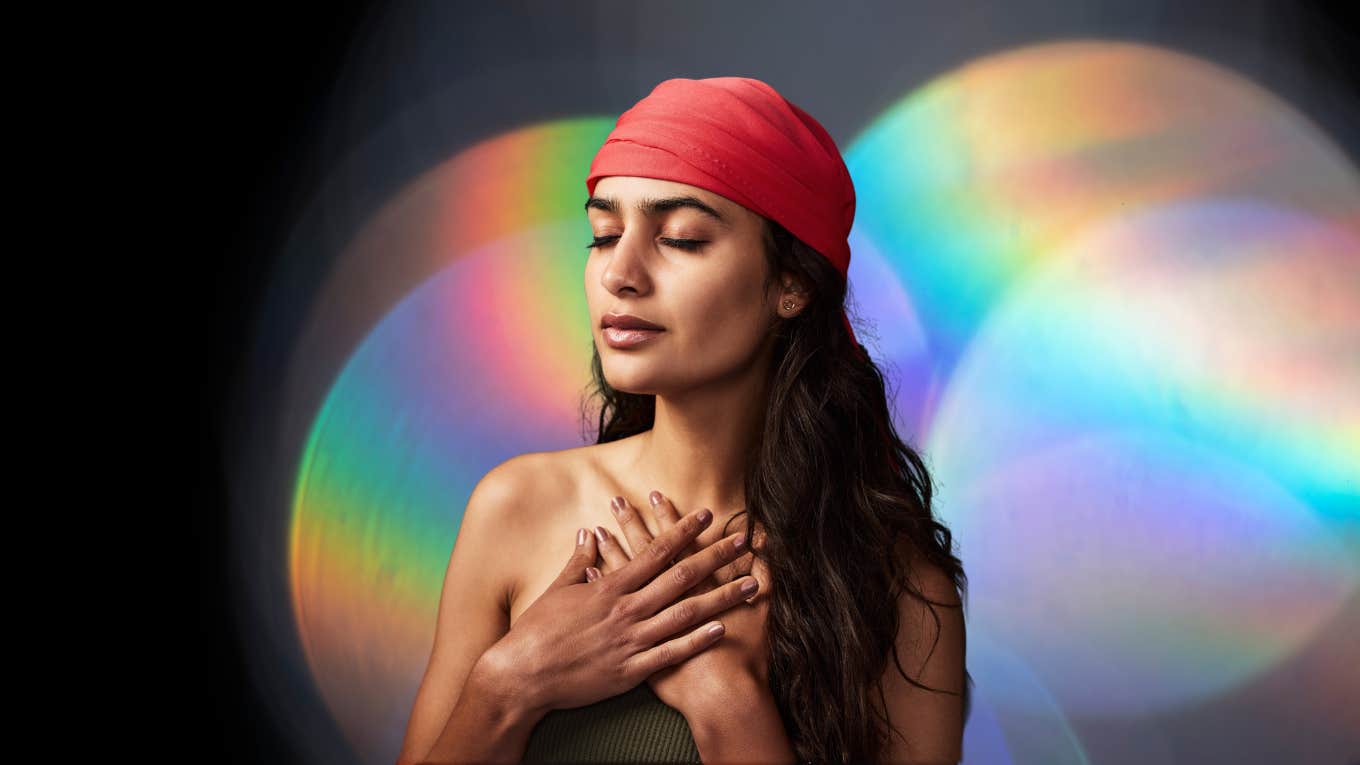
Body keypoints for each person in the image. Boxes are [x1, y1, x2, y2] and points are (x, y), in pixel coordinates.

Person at [396, 76, 970, 764]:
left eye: (683, 238)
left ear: (793, 286)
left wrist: (727, 697)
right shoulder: (516, 508)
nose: (621, 273)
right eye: (604, 234)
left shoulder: (899, 587)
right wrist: (508, 683)